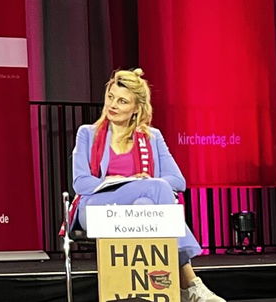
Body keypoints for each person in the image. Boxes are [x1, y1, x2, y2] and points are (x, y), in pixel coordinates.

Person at [69, 69, 223, 302]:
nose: (113, 105)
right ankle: (191, 282)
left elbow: (177, 181)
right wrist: (125, 183)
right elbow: (81, 183)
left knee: (146, 200)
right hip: (96, 207)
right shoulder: (87, 133)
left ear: (136, 108)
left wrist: (141, 186)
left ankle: (149, 292)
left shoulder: (152, 137)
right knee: (155, 188)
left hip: (138, 213)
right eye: (110, 97)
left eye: (122, 101)